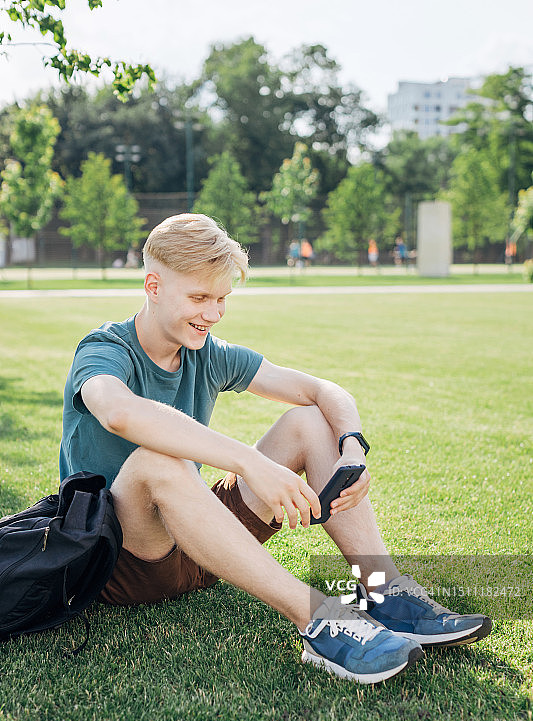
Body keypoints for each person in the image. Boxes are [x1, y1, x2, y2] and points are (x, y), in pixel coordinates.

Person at [60, 214, 492, 685]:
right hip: (124, 558)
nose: (213, 313)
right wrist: (249, 462)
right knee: (157, 461)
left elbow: (323, 391)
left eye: (222, 299)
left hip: (201, 545)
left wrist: (352, 446)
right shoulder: (104, 349)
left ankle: (381, 589)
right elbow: (118, 412)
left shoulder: (208, 352)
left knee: (309, 421)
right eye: (200, 298)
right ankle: (319, 620)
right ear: (153, 285)